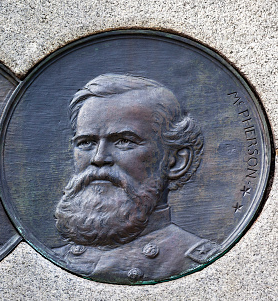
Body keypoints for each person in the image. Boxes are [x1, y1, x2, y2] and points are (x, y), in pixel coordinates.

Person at [54, 74, 219, 283]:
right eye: (86, 142)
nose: (98, 158)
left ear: (176, 161)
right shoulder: (53, 259)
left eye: (124, 141)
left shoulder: (197, 262)